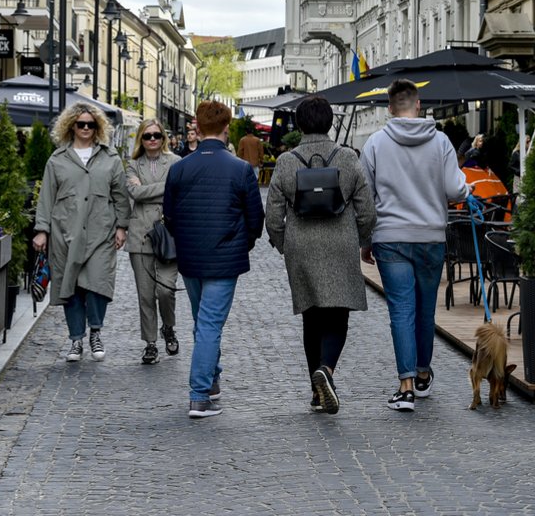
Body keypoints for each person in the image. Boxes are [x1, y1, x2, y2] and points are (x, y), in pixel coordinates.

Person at [360, 79, 469, 412]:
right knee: (425, 309)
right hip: (430, 237)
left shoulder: (375, 143)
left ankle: (405, 386)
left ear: (390, 108)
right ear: (418, 105)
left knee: (401, 311)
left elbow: (366, 198)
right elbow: (455, 189)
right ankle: (423, 374)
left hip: (390, 237)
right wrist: (464, 187)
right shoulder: (441, 142)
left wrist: (365, 241)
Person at [265, 97, 376, 414]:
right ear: (330, 122)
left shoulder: (287, 161)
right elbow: (366, 209)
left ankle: (317, 392)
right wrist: (361, 237)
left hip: (301, 245)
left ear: (298, 125)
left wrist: (285, 244)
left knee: (311, 316)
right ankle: (326, 370)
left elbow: (272, 217)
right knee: (338, 314)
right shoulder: (347, 157)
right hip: (340, 243)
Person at [164, 101, 264, 419]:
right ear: (227, 127)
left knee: (202, 322)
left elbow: (168, 215)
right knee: (209, 324)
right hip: (224, 256)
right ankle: (199, 395)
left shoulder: (179, 168)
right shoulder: (240, 169)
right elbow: (254, 219)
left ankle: (212, 380)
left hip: (191, 256)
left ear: (197, 125)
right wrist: (242, 244)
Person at [33, 103, 130, 363]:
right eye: (81, 124)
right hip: (65, 233)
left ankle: (95, 331)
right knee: (71, 287)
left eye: (91, 124)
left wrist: (122, 226)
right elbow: (46, 197)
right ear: (71, 127)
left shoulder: (110, 158)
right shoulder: (57, 159)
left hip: (101, 232)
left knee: (98, 283)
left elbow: (121, 196)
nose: (86, 128)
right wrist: (42, 230)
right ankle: (76, 339)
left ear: (98, 127)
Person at [125, 119, 181, 364]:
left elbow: (177, 190)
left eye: (157, 135)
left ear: (163, 138)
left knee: (166, 289)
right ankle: (150, 344)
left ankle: (168, 326)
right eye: (147, 136)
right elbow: (134, 193)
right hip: (140, 235)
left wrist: (148, 190)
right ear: (141, 139)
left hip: (169, 233)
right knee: (146, 295)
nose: (152, 140)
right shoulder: (132, 165)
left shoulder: (177, 162)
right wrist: (166, 187)